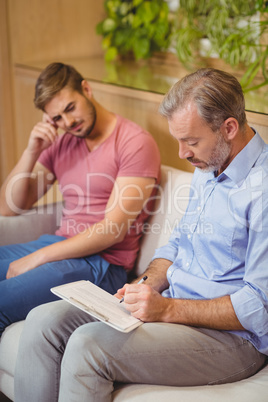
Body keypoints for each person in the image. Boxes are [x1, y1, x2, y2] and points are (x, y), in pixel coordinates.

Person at [14, 68, 268, 402]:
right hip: (173, 305)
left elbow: (259, 306)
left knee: (87, 347)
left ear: (229, 128)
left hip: (233, 339)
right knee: (45, 320)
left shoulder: (260, 189)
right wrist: (144, 284)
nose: (182, 154)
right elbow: (177, 244)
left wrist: (167, 310)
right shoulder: (209, 164)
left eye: (190, 142)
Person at [0, 62, 161, 336]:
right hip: (60, 245)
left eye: (70, 108)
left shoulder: (134, 142)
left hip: (102, 263)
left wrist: (37, 258)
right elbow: (10, 206)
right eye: (57, 118)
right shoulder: (63, 142)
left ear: (86, 89)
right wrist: (32, 151)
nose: (68, 122)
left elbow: (112, 230)